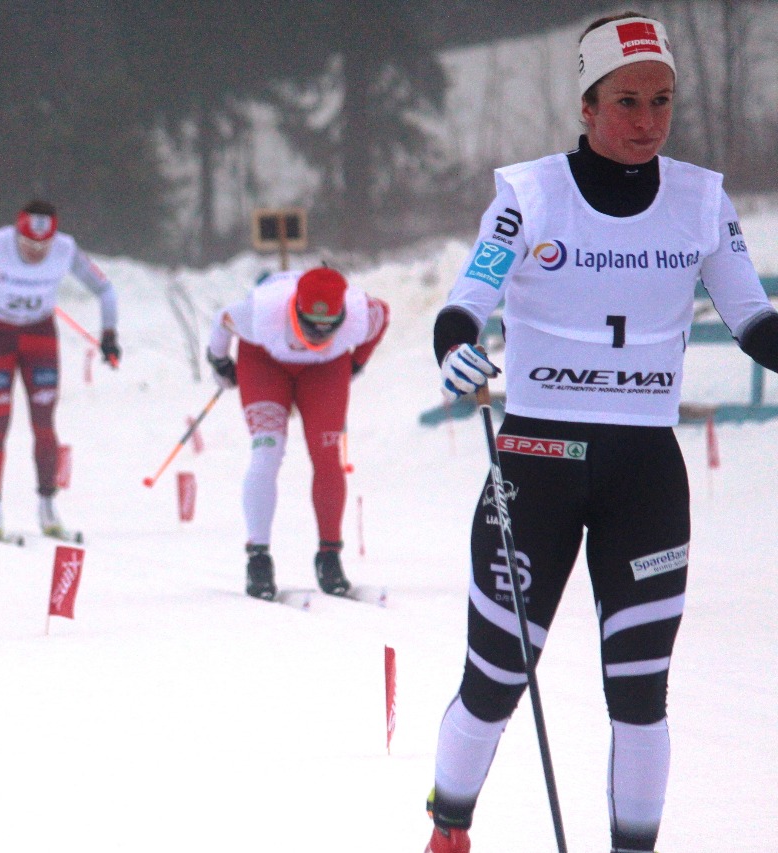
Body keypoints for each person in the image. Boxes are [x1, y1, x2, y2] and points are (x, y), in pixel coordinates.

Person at [423, 13, 778, 853]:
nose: (646, 120)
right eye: (626, 101)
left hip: (643, 472)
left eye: (661, 101)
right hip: (537, 463)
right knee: (496, 679)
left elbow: (754, 319)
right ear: (586, 107)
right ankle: (447, 829)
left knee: (641, 690)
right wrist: (455, 351)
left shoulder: (701, 199)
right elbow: (466, 302)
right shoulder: (531, 193)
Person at [0, 199, 119, 540]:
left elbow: (105, 289)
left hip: (39, 337)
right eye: (28, 245)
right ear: (17, 234)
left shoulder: (66, 249)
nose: (36, 253)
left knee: (45, 425)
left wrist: (109, 335)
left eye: (43, 246)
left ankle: (48, 509)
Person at [204, 266, 388, 600]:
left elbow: (383, 317)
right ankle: (258, 559)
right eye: (310, 327)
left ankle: (329, 556)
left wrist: (356, 363)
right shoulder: (260, 313)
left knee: (327, 457)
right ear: (294, 311)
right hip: (263, 363)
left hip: (325, 371)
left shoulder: (362, 314)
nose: (317, 336)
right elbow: (221, 320)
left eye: (328, 328)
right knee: (267, 451)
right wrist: (221, 364)